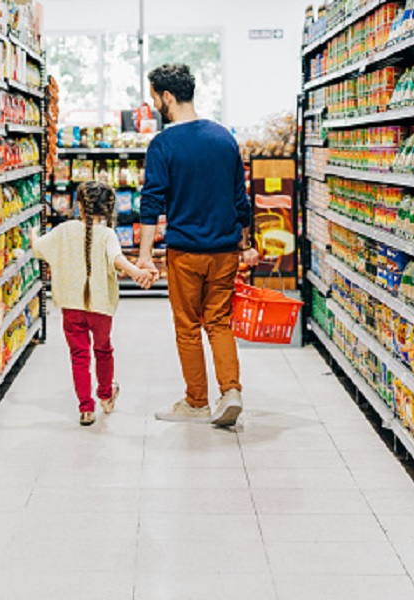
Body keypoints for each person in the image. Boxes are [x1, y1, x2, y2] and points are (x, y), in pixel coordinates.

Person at [138, 63, 259, 428]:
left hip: (186, 252)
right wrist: (246, 244)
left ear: (168, 97)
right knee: (219, 322)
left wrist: (144, 255)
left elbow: (152, 202)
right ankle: (231, 391)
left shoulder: (164, 144)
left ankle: (196, 402)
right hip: (224, 252)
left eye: (154, 96)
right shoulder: (224, 137)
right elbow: (241, 200)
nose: (154, 103)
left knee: (188, 327)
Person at [32, 181, 157, 426]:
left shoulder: (65, 230)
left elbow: (39, 249)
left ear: (79, 206)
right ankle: (106, 396)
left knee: (79, 355)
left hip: (71, 306)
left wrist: (33, 234)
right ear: (109, 208)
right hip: (100, 307)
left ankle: (86, 408)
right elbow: (117, 259)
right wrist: (136, 272)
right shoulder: (107, 234)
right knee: (103, 350)